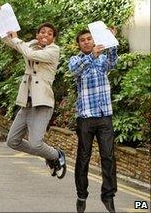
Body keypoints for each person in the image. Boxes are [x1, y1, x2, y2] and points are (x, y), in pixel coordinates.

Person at [0, 20, 66, 178]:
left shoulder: (54, 51)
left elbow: (29, 54)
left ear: (53, 38)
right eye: (42, 32)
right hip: (26, 103)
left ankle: (56, 155)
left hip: (42, 103)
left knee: (35, 143)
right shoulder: (30, 45)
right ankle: (49, 155)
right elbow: (8, 40)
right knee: (12, 141)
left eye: (49, 33)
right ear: (37, 35)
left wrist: (17, 39)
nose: (45, 35)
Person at [68, 29, 118, 213]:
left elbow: (113, 62)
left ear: (94, 40)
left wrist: (110, 40)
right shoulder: (75, 60)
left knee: (108, 156)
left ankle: (108, 196)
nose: (87, 42)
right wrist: (92, 56)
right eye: (83, 40)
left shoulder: (103, 59)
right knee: (83, 158)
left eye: (90, 39)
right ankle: (81, 195)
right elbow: (75, 71)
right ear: (79, 44)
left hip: (104, 115)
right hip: (85, 117)